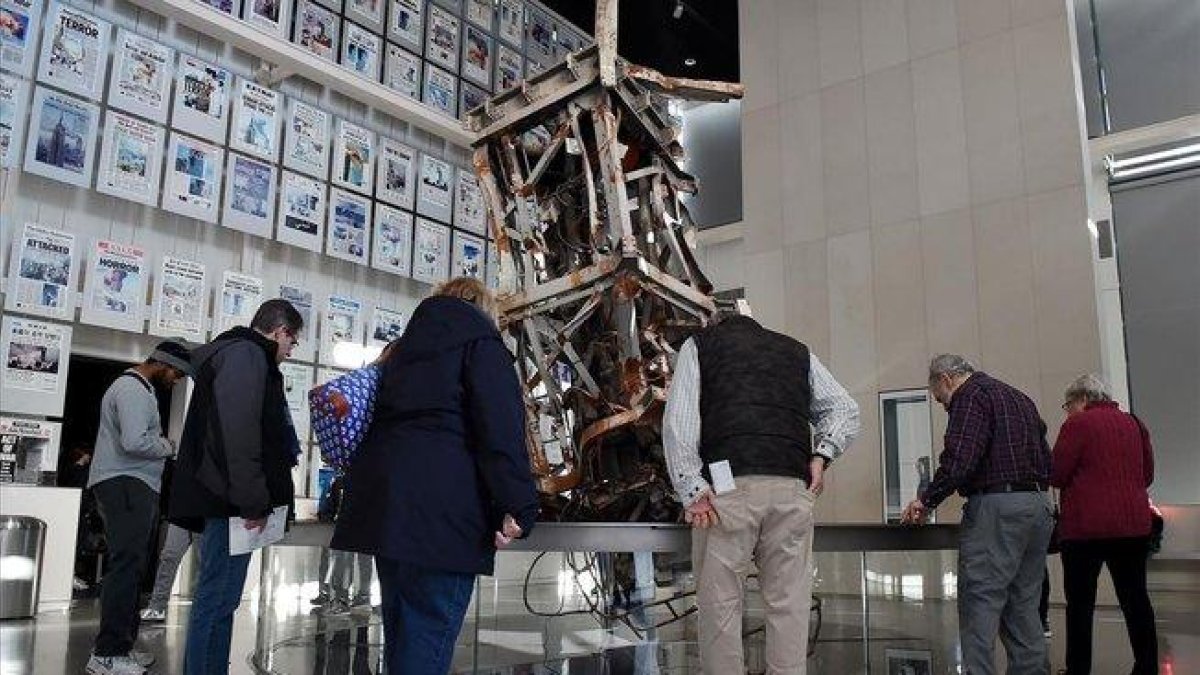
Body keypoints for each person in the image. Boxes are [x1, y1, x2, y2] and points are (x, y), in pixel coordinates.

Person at [331, 277, 539, 675]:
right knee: (426, 645)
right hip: (444, 520)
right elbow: (500, 430)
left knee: (403, 641)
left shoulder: (398, 352)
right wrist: (520, 505)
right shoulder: (481, 343)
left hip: (386, 513)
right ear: (483, 309)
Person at [663, 309, 861, 674]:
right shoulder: (796, 351)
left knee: (721, 605)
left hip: (728, 492)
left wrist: (692, 487)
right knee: (790, 604)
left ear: (714, 323)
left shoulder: (701, 346)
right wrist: (822, 455)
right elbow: (846, 410)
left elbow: (680, 422)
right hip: (792, 489)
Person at [168, 299, 303, 675]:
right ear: (281, 331)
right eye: (293, 343)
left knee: (222, 600)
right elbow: (238, 434)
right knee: (216, 599)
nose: (291, 353)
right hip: (231, 502)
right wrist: (253, 501)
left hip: (228, 500)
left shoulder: (240, 354)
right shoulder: (246, 356)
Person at [902, 355, 1054, 675]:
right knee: (1024, 602)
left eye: (940, 397)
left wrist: (926, 499)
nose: (943, 405)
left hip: (997, 507)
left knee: (980, 601)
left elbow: (961, 458)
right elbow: (1046, 456)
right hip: (1038, 504)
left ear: (945, 379)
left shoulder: (970, 395)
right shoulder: (1019, 397)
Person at [85, 341, 193, 675]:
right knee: (125, 567)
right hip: (125, 483)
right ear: (163, 363)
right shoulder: (131, 389)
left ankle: (122, 647)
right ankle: (107, 654)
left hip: (131, 484)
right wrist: (168, 445)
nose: (176, 380)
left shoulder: (139, 389)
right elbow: (134, 442)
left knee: (131, 568)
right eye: (176, 373)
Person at [1050, 374, 1157, 675]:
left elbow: (1056, 473)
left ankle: (1079, 669)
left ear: (1082, 399)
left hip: (1086, 530)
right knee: (1136, 599)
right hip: (1133, 527)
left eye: (1068, 404)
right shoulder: (1135, 424)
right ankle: (1147, 666)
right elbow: (1147, 475)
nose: (1067, 410)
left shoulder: (1077, 424)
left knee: (1081, 606)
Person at [138, 522, 199, 622]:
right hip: (182, 512)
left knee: (204, 560)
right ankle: (157, 607)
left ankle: (201, 608)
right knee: (169, 556)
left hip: (206, 513)